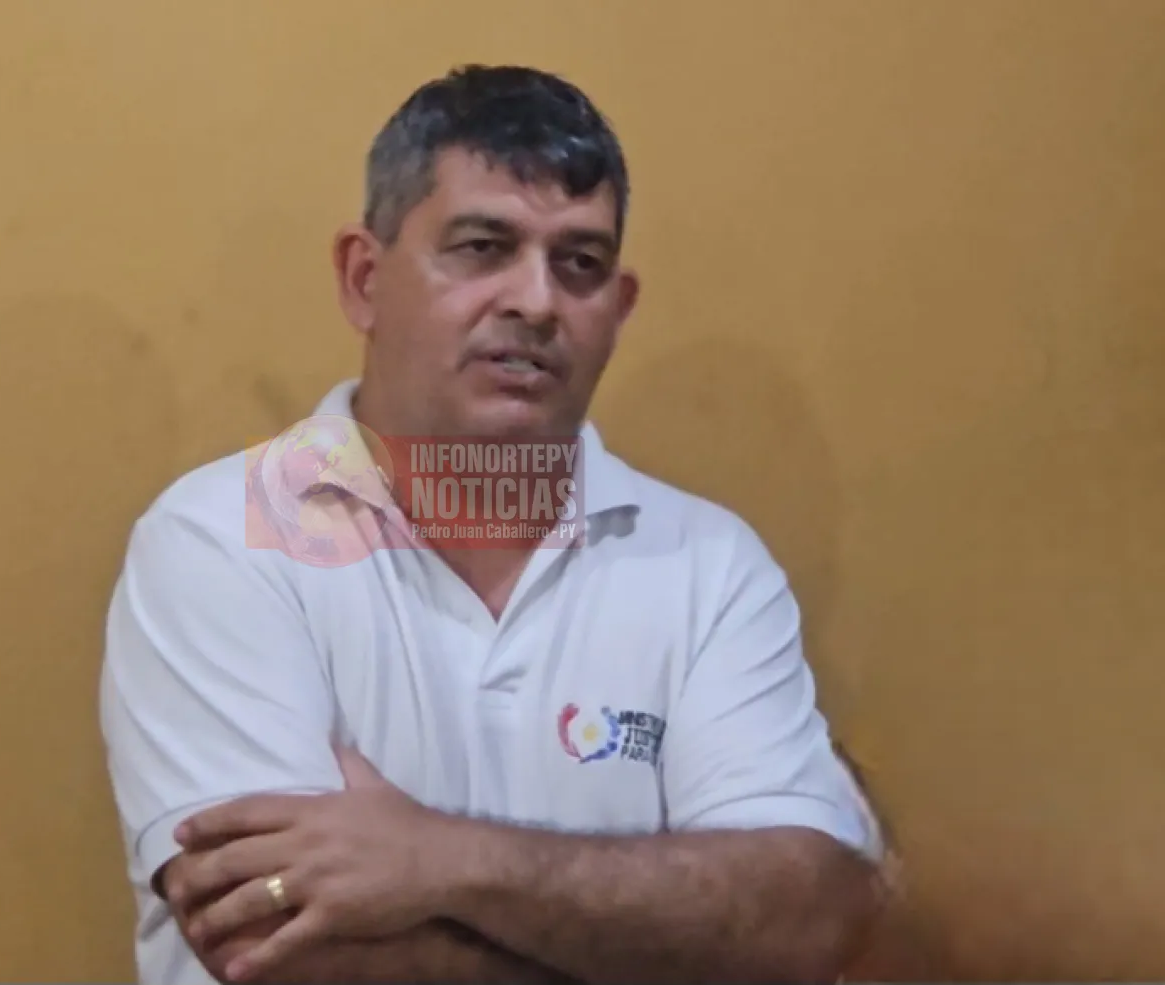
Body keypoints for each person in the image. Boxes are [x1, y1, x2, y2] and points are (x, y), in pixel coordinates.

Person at [99, 64, 890, 985]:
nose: (536, 302)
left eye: (580, 264)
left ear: (618, 309)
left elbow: (805, 920)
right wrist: (675, 937)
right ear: (364, 279)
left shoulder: (709, 566)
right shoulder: (222, 540)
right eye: (483, 248)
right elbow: (284, 950)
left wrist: (436, 857)